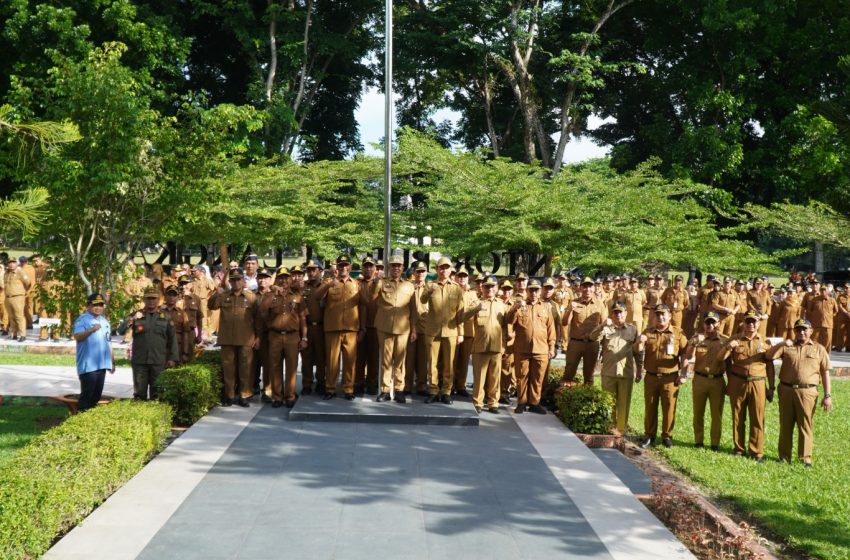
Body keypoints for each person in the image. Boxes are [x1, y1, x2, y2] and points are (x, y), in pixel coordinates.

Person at [765, 318, 833, 467]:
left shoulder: (819, 348)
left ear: (811, 331)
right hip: (786, 390)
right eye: (798, 329)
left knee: (805, 425)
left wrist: (827, 395)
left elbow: (825, 372)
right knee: (785, 424)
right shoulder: (787, 346)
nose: (801, 332)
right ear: (794, 331)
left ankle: (805, 458)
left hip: (808, 391)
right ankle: (784, 456)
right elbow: (769, 356)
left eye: (804, 329)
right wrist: (782, 344)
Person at [723, 311, 775, 462]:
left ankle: (756, 451)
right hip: (738, 381)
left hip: (758, 382)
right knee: (738, 416)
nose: (751, 324)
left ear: (758, 323)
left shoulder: (765, 342)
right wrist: (730, 381)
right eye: (748, 321)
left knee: (757, 417)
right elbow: (725, 361)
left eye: (754, 321)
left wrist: (771, 387)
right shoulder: (734, 340)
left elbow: (770, 366)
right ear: (743, 323)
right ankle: (739, 449)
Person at [635, 304, 688, 448]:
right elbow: (638, 350)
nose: (660, 317)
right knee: (650, 407)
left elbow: (685, 353)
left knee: (669, 407)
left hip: (670, 377)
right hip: (651, 376)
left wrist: (684, 374)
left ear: (669, 316)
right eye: (657, 314)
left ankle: (667, 436)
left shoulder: (678, 333)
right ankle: (649, 435)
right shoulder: (647, 332)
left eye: (663, 314)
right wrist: (640, 342)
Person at [314, 255, 364, 400]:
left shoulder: (356, 284)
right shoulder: (328, 282)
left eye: (345, 265)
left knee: (350, 361)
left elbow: (364, 305)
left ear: (350, 267)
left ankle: (348, 389)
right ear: (337, 267)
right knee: (332, 361)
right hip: (333, 328)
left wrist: (362, 328)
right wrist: (328, 285)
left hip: (351, 328)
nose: (343, 268)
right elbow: (317, 297)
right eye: (340, 265)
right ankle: (330, 388)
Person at [117, 286, 179, 400]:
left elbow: (172, 338)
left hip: (158, 361)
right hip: (140, 361)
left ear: (158, 300)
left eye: (154, 298)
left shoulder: (165, 317)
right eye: (148, 298)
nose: (151, 301)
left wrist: (173, 358)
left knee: (158, 394)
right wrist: (130, 320)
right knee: (139, 394)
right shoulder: (136, 315)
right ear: (144, 299)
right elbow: (120, 331)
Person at [208, 270, 259, 406]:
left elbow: (257, 318)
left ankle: (244, 395)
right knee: (228, 368)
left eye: (238, 279)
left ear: (243, 281)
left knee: (245, 368)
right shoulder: (224, 295)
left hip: (245, 338)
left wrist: (258, 337)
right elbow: (211, 306)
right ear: (230, 282)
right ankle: (230, 395)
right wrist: (216, 293)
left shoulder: (251, 297)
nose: (236, 282)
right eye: (233, 280)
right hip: (227, 339)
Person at [258, 267, 307, 408]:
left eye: (286, 278)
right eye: (281, 278)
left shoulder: (297, 296)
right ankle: (277, 397)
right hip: (275, 336)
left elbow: (303, 318)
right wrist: (273, 292)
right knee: (275, 367)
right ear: (277, 279)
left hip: (292, 336)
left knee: (292, 368)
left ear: (290, 279)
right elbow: (262, 310)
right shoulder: (271, 294)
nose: (283, 280)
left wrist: (304, 338)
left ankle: (290, 396)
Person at [591, 301, 642, 434]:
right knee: (608, 403)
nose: (618, 315)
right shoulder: (606, 329)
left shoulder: (633, 329)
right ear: (612, 314)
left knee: (624, 404)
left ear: (626, 313)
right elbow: (592, 337)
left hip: (626, 373)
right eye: (615, 312)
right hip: (608, 372)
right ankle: (609, 429)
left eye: (620, 312)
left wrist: (639, 370)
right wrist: (602, 325)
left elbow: (638, 352)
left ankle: (621, 431)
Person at [506, 279, 556, 414]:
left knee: (537, 378)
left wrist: (552, 347)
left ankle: (534, 403)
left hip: (541, 349)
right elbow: (509, 321)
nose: (533, 293)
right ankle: (521, 402)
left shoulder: (546, 308)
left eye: (536, 290)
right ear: (527, 291)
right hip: (522, 348)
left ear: (540, 292)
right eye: (531, 290)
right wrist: (515, 308)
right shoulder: (520, 306)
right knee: (521, 377)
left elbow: (551, 329)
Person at [372, 255, 417, 403]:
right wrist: (376, 282)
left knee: (400, 361)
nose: (396, 268)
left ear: (402, 267)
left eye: (398, 265)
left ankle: (399, 390)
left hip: (403, 328)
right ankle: (385, 391)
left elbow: (413, 309)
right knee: (386, 361)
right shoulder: (382, 282)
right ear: (389, 267)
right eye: (393, 265)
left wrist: (414, 329)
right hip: (385, 326)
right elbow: (372, 298)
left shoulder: (409, 286)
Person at [421, 256, 465, 404]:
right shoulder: (430, 285)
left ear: (450, 270)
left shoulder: (456, 288)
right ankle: (433, 390)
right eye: (441, 267)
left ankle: (446, 391)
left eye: (446, 268)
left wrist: (461, 333)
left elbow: (460, 312)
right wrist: (429, 291)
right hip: (432, 331)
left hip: (450, 331)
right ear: (437, 269)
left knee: (449, 364)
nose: (444, 270)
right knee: (432, 363)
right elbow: (422, 300)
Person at [685, 311, 728, 450]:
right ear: (703, 324)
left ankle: (715, 443)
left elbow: (729, 363)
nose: (710, 325)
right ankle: (698, 441)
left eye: (713, 322)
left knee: (716, 414)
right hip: (700, 379)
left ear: (718, 324)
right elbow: (688, 356)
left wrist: (730, 384)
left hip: (717, 381)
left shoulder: (724, 340)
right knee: (698, 412)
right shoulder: (697, 339)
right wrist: (694, 344)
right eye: (707, 322)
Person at [465, 276, 506, 414]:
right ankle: (478, 402)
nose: (489, 289)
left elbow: (506, 327)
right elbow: (464, 316)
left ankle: (493, 403)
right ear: (482, 288)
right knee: (479, 377)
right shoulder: (477, 303)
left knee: (495, 377)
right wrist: (476, 309)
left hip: (496, 346)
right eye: (487, 286)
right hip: (480, 346)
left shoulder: (501, 304)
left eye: (492, 286)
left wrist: (504, 345)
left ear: (496, 288)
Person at [562, 276, 608, 386]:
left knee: (589, 376)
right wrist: (569, 309)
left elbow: (605, 326)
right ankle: (565, 395)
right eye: (585, 287)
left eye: (590, 287)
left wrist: (604, 346)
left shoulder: (600, 304)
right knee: (569, 373)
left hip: (592, 344)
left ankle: (587, 396)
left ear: (594, 288)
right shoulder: (574, 303)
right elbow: (564, 322)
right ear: (580, 288)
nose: (587, 289)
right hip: (575, 343)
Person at [73, 294, 115, 412]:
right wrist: (91, 330)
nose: (98, 307)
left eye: (101, 305)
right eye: (95, 304)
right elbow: (77, 336)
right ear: (88, 306)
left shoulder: (105, 322)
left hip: (102, 364)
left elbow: (109, 343)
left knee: (96, 396)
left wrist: (112, 361)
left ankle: (90, 419)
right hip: (89, 366)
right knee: (87, 396)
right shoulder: (82, 320)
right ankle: (80, 419)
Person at [301, 259, 327, 395]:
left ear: (321, 271)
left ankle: (321, 383)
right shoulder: (303, 286)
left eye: (314, 270)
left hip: (322, 328)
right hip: (307, 326)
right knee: (306, 358)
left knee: (321, 357)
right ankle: (307, 383)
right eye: (309, 270)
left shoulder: (327, 286)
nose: (311, 273)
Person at [356, 257, 381, 395]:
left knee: (374, 358)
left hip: (375, 326)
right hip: (359, 326)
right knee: (359, 358)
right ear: (362, 268)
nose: (368, 269)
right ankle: (358, 383)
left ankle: (372, 383)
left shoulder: (380, 283)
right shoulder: (356, 283)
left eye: (371, 266)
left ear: (375, 269)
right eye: (366, 266)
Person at [405, 261, 430, 396]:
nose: (420, 274)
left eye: (423, 271)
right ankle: (407, 385)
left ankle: (421, 385)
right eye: (418, 271)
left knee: (423, 359)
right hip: (409, 327)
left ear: (426, 273)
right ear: (414, 273)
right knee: (409, 359)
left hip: (425, 328)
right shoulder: (408, 287)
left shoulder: (431, 287)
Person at [453, 269, 479, 397]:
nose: (462, 278)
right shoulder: (452, 291)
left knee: (464, 361)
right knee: (452, 360)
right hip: (453, 330)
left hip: (468, 331)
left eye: (464, 276)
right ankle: (450, 385)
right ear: (456, 278)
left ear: (468, 278)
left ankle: (461, 386)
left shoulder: (473, 294)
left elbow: (476, 310)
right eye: (460, 276)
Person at [4, 259, 31, 342]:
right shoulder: (6, 273)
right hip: (8, 297)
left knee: (19, 316)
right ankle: (14, 334)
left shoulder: (20, 272)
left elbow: (28, 282)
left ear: (16, 264)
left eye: (13, 262)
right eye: (9, 263)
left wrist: (22, 292)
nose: (11, 264)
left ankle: (22, 335)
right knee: (11, 317)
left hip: (18, 297)